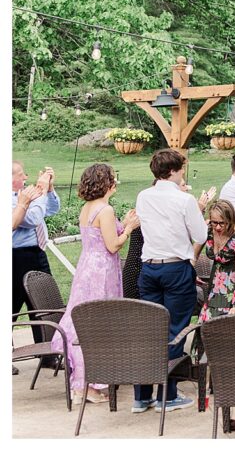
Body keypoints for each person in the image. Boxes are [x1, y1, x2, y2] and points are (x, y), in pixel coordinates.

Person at [52, 164, 140, 405]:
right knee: (98, 324)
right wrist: (130, 229)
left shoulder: (88, 208)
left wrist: (124, 222)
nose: (116, 182)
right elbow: (112, 245)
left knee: (85, 322)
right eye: (114, 178)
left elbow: (101, 236)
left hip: (87, 268)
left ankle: (83, 383)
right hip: (102, 272)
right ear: (107, 183)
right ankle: (88, 385)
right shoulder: (106, 209)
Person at [133, 149, 211, 415]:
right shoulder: (184, 199)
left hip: (149, 268)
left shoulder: (143, 196)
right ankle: (169, 394)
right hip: (176, 267)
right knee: (176, 329)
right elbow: (200, 233)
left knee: (149, 330)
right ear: (176, 170)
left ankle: (142, 396)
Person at [12, 162, 59, 360]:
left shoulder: (25, 194)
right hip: (16, 256)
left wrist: (49, 190)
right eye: (22, 174)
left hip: (37, 252)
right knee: (11, 306)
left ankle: (47, 354)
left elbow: (51, 210)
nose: (26, 177)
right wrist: (40, 191)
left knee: (41, 305)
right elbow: (31, 218)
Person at [195, 200, 235, 322]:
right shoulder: (208, 229)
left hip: (232, 289)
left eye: (222, 223)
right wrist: (190, 272)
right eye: (215, 222)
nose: (218, 227)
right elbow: (193, 256)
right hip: (214, 288)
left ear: (230, 220)